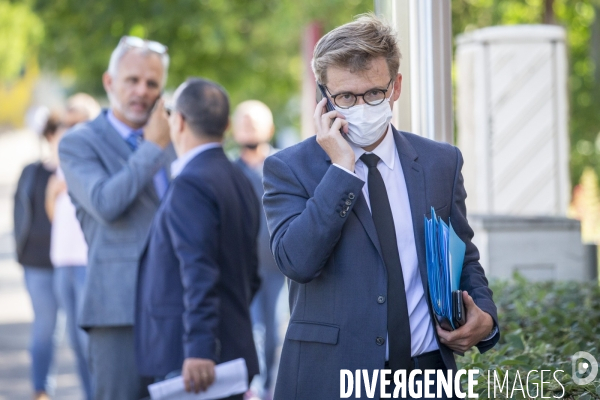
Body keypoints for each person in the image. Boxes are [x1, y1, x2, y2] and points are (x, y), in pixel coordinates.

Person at [262, 15, 499, 400]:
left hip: (426, 377)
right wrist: (341, 170)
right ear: (324, 96)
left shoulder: (441, 162)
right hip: (332, 380)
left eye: (374, 93)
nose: (362, 106)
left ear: (396, 86)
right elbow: (297, 263)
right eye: (345, 97)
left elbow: (464, 257)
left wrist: (485, 317)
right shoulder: (288, 168)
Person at [58, 36, 175, 400]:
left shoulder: (174, 139)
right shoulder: (79, 142)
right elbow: (106, 202)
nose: (142, 90)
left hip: (177, 306)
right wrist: (153, 147)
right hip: (117, 310)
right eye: (132, 80)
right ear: (110, 82)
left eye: (152, 83)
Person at [135, 78, 260, 400]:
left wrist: (200, 348)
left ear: (178, 121)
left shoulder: (191, 183)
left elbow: (198, 269)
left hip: (195, 363)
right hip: (230, 347)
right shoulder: (240, 179)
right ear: (227, 125)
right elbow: (250, 273)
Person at [45, 93, 101, 400]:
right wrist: (53, 192)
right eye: (68, 121)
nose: (72, 126)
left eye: (79, 120)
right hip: (62, 259)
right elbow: (53, 214)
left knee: (88, 340)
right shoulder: (63, 160)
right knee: (74, 343)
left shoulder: (95, 159)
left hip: (85, 259)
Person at [231, 100, 284, 400]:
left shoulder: (281, 167)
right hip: (241, 270)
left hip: (277, 268)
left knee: (276, 332)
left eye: (255, 120)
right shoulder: (228, 171)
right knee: (252, 330)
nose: (249, 125)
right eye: (243, 120)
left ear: (270, 127)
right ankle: (254, 387)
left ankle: (273, 389)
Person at [14, 112, 61, 400]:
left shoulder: (77, 172)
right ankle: (41, 389)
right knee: (45, 327)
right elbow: (19, 210)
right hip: (37, 261)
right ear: (48, 136)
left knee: (81, 334)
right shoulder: (31, 171)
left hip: (68, 262)